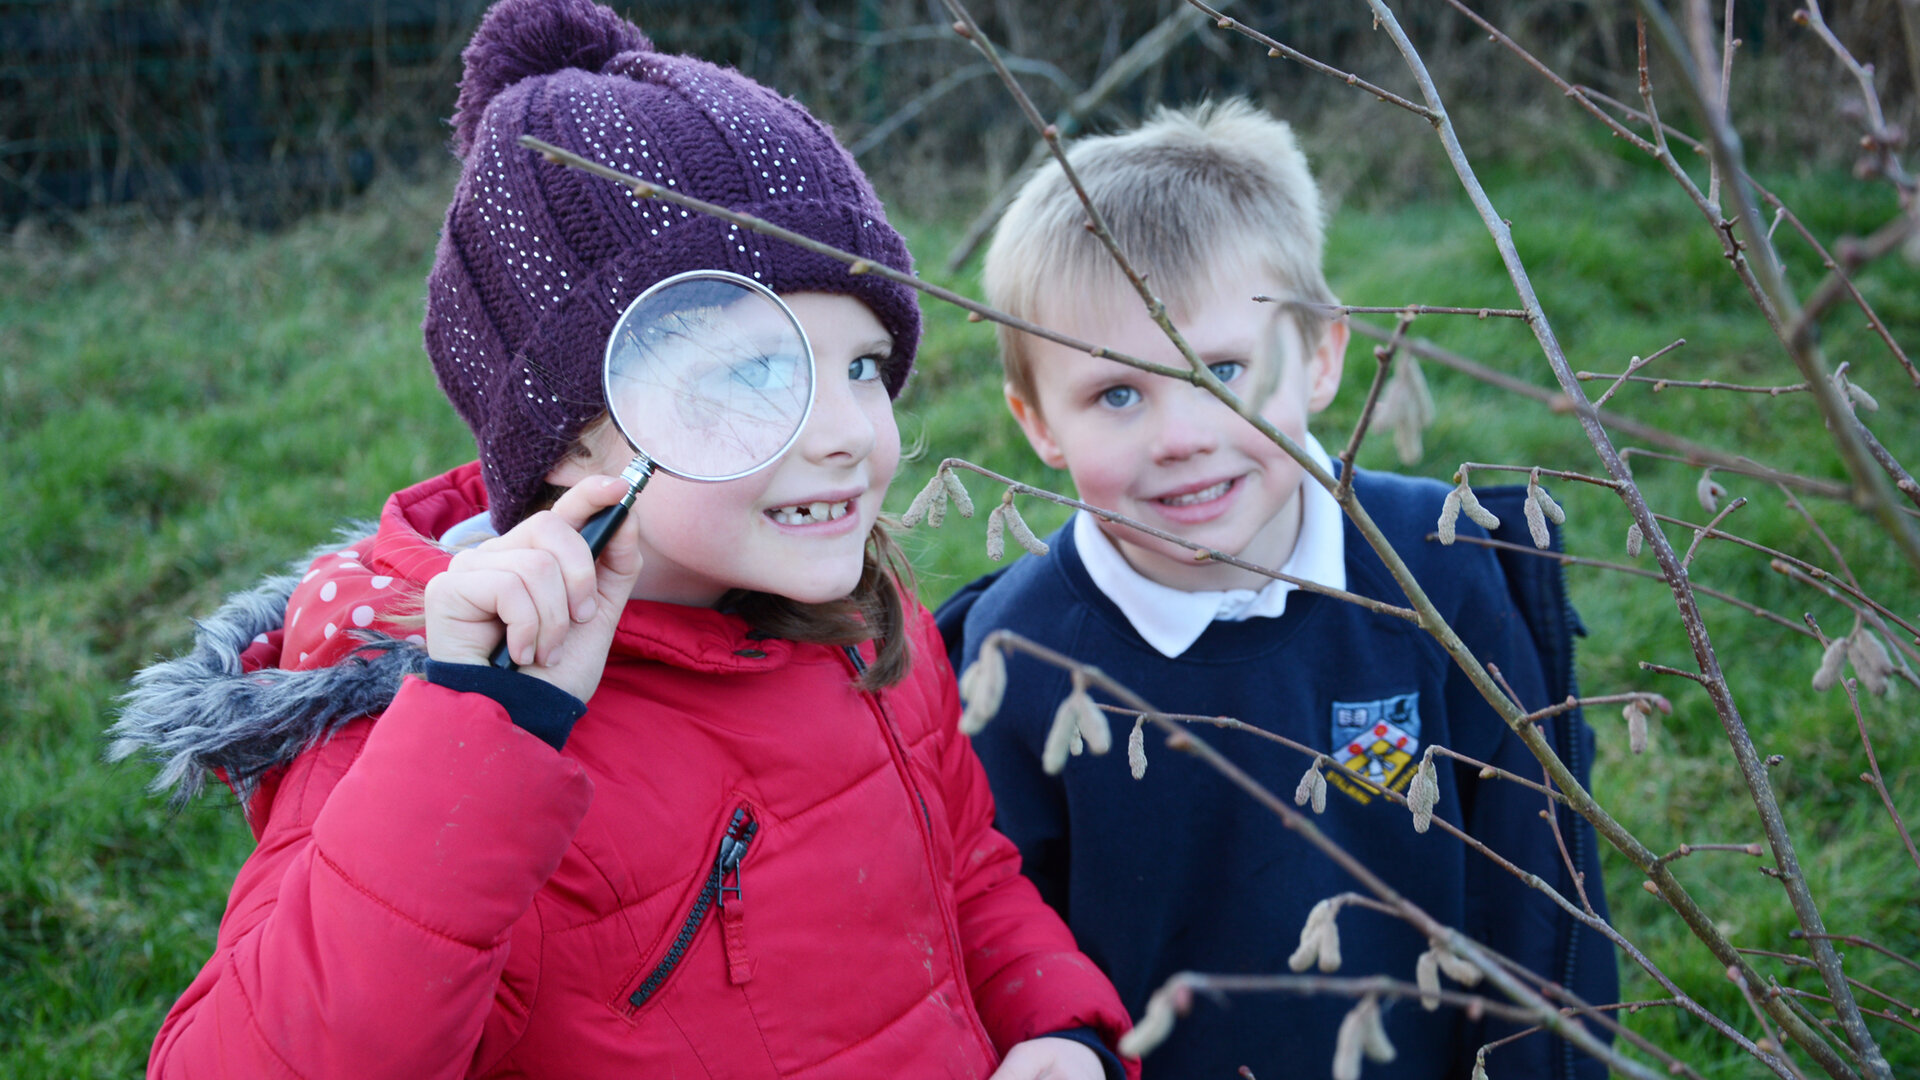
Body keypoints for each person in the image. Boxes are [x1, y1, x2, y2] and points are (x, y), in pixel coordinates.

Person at [108, 2, 1136, 1076]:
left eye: (864, 365)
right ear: (572, 441)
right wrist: (482, 732)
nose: (844, 434)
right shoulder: (436, 729)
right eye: (752, 373)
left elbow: (966, 866)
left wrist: (1049, 1023)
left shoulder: (871, 624)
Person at [937, 101, 1617, 1079]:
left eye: (1222, 369)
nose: (1181, 434)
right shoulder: (1014, 659)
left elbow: (1539, 903)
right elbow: (1001, 932)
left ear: (1323, 355)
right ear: (1037, 422)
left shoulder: (1444, 576)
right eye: (1116, 394)